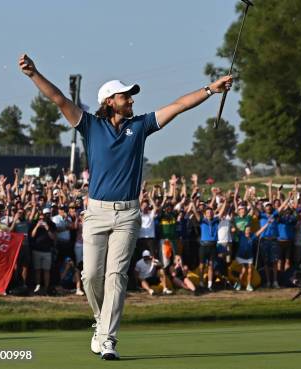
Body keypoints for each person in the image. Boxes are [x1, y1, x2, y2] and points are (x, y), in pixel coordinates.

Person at [19, 53, 232, 360]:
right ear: (109, 101)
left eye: (130, 96)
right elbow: (58, 99)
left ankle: (108, 339)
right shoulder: (90, 126)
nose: (131, 99)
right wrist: (33, 73)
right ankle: (101, 322)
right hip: (96, 213)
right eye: (125, 95)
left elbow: (179, 105)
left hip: (128, 214)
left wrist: (211, 89)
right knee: (90, 275)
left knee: (116, 276)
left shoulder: (141, 125)